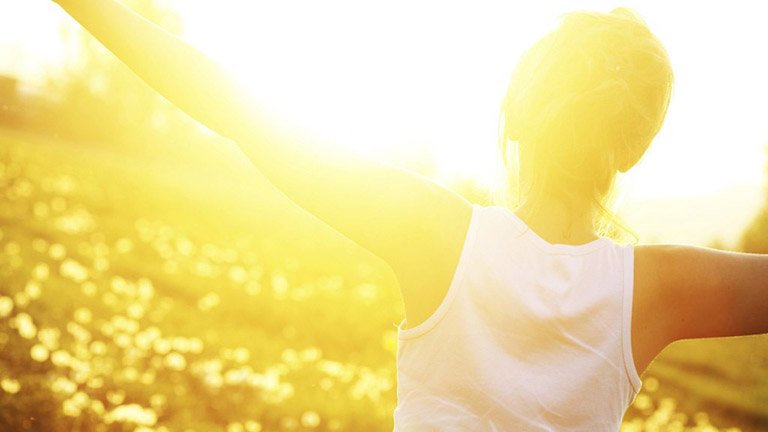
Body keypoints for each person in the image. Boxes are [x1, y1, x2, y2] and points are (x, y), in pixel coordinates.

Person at [51, 1, 768, 430]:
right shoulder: (664, 286)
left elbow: (235, 107)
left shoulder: (437, 231)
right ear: (633, 149)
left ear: (516, 112)